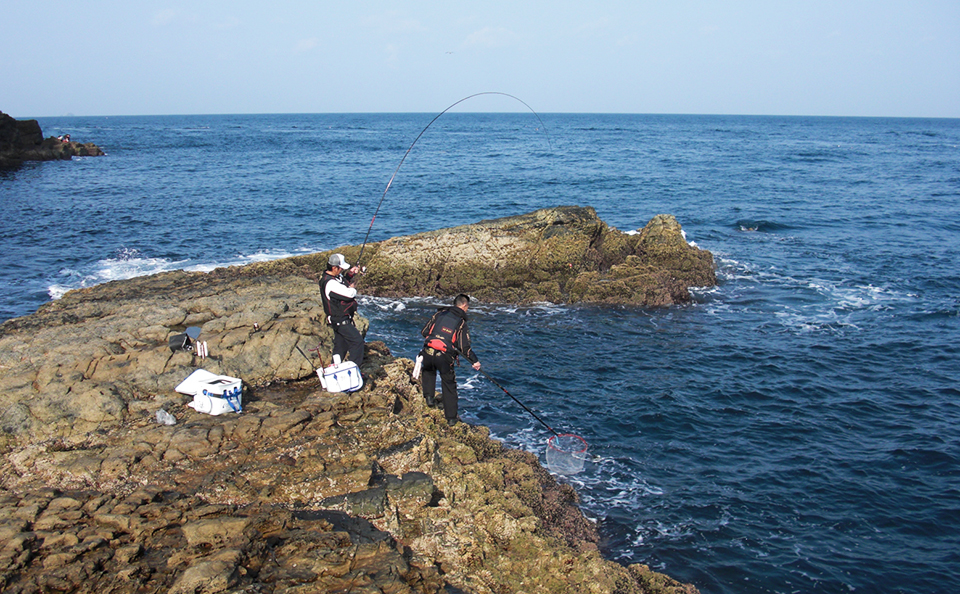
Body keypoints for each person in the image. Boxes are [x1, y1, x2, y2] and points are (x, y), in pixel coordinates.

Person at [419, 294, 481, 426]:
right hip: (444, 356)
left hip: (428, 351)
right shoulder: (461, 322)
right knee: (449, 385)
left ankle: (429, 398)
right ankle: (451, 418)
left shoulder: (439, 314)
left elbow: (424, 331)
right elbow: (464, 347)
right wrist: (474, 361)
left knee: (428, 370)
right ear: (464, 305)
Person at [319, 253, 364, 369]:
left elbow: (342, 281)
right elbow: (349, 294)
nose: (341, 270)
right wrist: (353, 289)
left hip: (338, 320)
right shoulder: (330, 283)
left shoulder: (333, 278)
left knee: (340, 347)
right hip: (339, 319)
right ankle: (354, 370)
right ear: (334, 268)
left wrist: (350, 274)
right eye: (341, 268)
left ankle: (335, 369)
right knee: (357, 342)